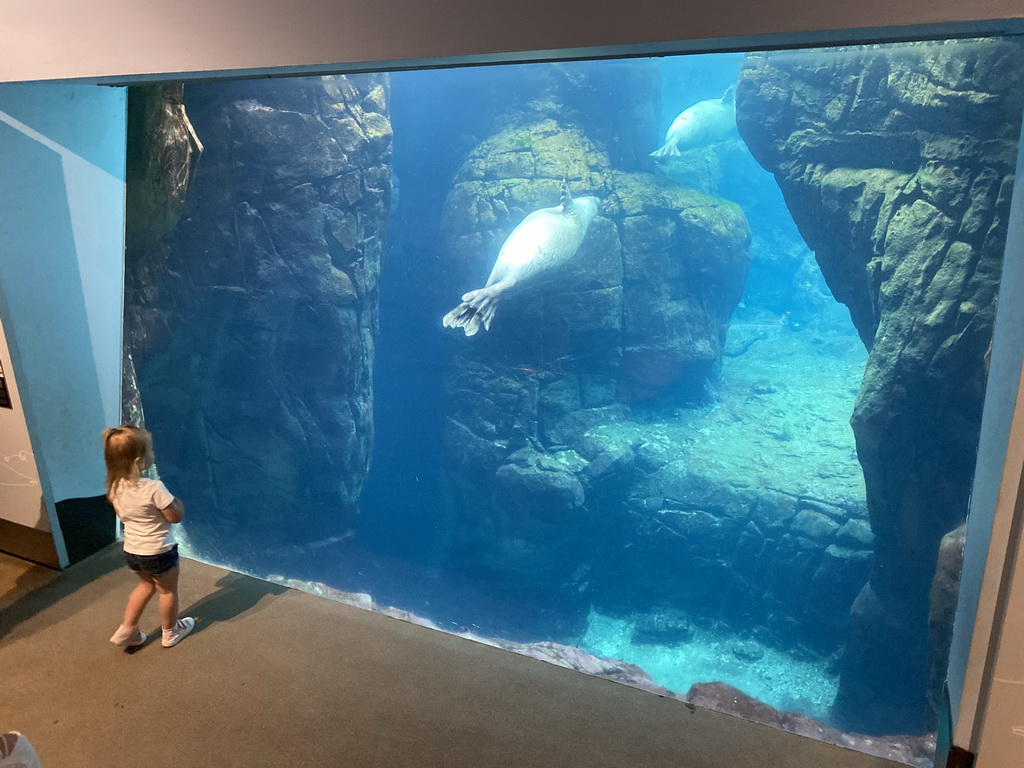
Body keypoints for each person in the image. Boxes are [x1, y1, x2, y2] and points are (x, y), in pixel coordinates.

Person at [103, 426, 195, 649]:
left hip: (133, 551)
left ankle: (128, 628)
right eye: (150, 451)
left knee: (145, 585)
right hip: (159, 551)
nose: (153, 454)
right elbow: (174, 517)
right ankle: (170, 632)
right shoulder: (154, 487)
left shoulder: (114, 487)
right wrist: (178, 503)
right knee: (167, 590)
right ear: (139, 461)